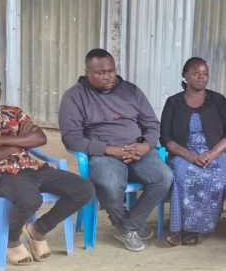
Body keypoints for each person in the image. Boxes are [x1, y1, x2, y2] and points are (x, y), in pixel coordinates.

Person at [0, 65, 95, 266]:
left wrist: (2, 141)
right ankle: (12, 239)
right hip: (0, 175)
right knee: (31, 199)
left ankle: (38, 229)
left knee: (85, 189)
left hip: (33, 168)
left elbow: (39, 138)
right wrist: (19, 143)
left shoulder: (12, 112)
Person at [58, 48, 173, 252]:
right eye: (100, 73)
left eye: (110, 71)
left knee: (164, 177)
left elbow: (152, 124)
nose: (107, 77)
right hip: (103, 153)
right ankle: (125, 224)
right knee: (111, 184)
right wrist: (110, 150)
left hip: (137, 149)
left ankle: (128, 226)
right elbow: (71, 138)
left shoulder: (131, 91)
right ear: (87, 72)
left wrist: (145, 145)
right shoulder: (74, 96)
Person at [159, 57, 226, 247]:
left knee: (218, 177)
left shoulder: (218, 100)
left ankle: (195, 228)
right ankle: (178, 229)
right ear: (185, 76)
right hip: (183, 154)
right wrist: (188, 155)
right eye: (196, 73)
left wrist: (212, 154)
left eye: (205, 74)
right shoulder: (173, 103)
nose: (201, 77)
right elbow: (166, 137)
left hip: (215, 153)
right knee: (182, 175)